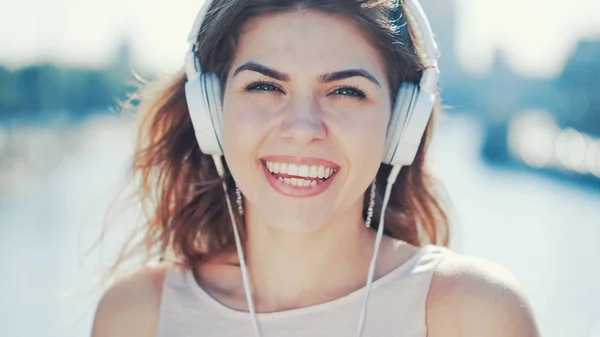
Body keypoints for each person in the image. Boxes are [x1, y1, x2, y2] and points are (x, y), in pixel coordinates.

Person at [91, 0, 540, 336]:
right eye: (264, 85)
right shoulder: (137, 315)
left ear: (402, 121)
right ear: (210, 111)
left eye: (345, 92)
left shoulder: (474, 313)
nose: (302, 128)